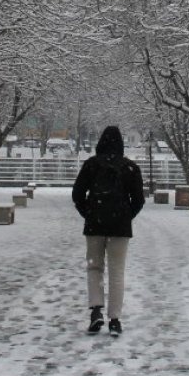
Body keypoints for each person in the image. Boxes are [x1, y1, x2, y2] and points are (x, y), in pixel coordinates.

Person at [71, 125, 144, 335]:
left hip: (95, 226)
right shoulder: (130, 168)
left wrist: (90, 213)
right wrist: (124, 216)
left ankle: (95, 311)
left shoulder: (91, 165)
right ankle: (115, 319)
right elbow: (139, 200)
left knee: (94, 268)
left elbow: (77, 195)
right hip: (119, 229)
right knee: (116, 271)